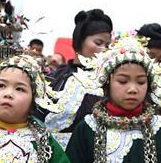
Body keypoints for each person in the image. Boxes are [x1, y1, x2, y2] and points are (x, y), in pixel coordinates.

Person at [44, 9, 112, 148]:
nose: (104, 49)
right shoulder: (56, 77)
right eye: (98, 42)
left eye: (107, 45)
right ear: (80, 42)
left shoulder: (109, 81)